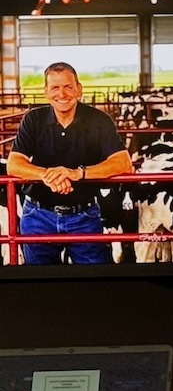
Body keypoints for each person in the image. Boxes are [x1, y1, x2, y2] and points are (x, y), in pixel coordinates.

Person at [7, 62, 133, 264]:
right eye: (55, 88)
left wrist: (77, 173)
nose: (62, 94)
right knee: (39, 278)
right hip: (38, 215)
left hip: (84, 214)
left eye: (68, 86)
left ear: (78, 89)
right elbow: (14, 163)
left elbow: (123, 162)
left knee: (94, 277)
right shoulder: (33, 119)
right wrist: (48, 176)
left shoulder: (99, 120)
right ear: (46, 92)